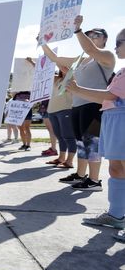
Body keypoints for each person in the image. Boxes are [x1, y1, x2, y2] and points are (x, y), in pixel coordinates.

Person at [41, 15, 115, 191]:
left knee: (92, 143)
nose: (91, 37)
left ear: (105, 39)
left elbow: (91, 50)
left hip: (95, 105)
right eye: (89, 35)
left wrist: (78, 29)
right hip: (78, 105)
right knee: (81, 142)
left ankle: (95, 181)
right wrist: (42, 42)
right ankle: (81, 175)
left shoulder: (106, 56)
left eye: (95, 35)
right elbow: (55, 59)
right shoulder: (81, 60)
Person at [65, 28, 125, 240]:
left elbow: (110, 94)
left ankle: (93, 181)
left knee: (114, 162)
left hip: (120, 118)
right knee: (117, 169)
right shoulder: (121, 70)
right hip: (113, 118)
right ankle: (116, 215)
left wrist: (78, 89)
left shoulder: (108, 59)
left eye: (120, 42)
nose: (116, 47)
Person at [45, 67, 77, 169]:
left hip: (65, 109)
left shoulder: (73, 79)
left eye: (65, 66)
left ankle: (69, 161)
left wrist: (70, 72)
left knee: (68, 136)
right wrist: (33, 63)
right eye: (60, 67)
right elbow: (43, 74)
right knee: (59, 136)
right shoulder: (57, 79)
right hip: (52, 111)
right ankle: (61, 158)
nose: (62, 68)